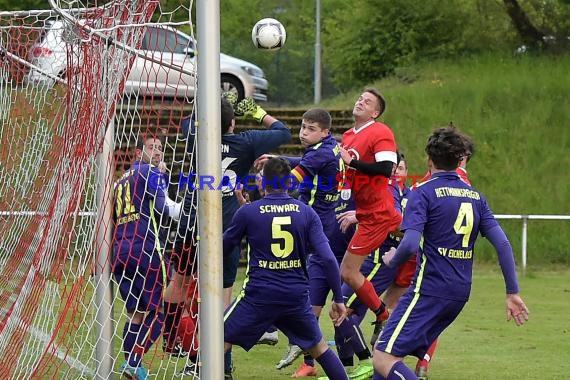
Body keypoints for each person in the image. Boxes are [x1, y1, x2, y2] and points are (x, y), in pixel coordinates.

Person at [373, 126, 529, 380]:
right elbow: (502, 244)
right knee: (390, 359)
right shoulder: (476, 196)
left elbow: (410, 243)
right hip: (459, 293)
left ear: (429, 159)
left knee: (383, 357)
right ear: (460, 161)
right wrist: (512, 292)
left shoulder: (422, 192)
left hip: (428, 290)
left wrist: (392, 259)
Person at [163, 95, 291, 378]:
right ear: (233, 122)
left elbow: (187, 121)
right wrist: (256, 113)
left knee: (179, 284)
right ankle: (224, 367)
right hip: (226, 231)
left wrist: (208, 104)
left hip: (191, 225)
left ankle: (171, 339)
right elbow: (283, 132)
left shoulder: (196, 135)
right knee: (221, 301)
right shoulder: (245, 143)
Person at [223, 157, 349, 380]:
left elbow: (224, 247)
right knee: (320, 349)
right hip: (295, 297)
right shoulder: (306, 212)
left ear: (262, 183)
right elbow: (329, 259)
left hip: (259, 297)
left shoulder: (249, 212)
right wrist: (339, 298)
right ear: (289, 183)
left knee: (215, 340)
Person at [255, 108, 351, 377]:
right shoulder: (329, 148)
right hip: (324, 220)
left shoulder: (320, 153)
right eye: (302, 127)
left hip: (310, 221)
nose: (303, 133)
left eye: (310, 129)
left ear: (324, 131)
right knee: (305, 278)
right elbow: (306, 160)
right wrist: (280, 156)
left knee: (282, 267)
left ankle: (279, 330)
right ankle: (300, 339)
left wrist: (267, 178)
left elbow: (289, 180)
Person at [112, 135, 181, 380]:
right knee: (162, 310)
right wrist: (194, 211)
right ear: (138, 151)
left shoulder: (119, 181)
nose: (157, 152)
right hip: (145, 250)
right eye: (151, 147)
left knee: (137, 313)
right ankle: (133, 361)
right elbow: (166, 208)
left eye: (160, 148)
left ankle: (129, 365)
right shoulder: (149, 172)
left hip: (120, 253)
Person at [337, 88, 401, 331]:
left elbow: (385, 169)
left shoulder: (380, 131)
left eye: (367, 101)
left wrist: (351, 162)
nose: (360, 101)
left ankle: (383, 316)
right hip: (367, 211)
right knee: (415, 243)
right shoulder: (348, 135)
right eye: (359, 98)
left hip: (377, 214)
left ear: (375, 112)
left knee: (348, 272)